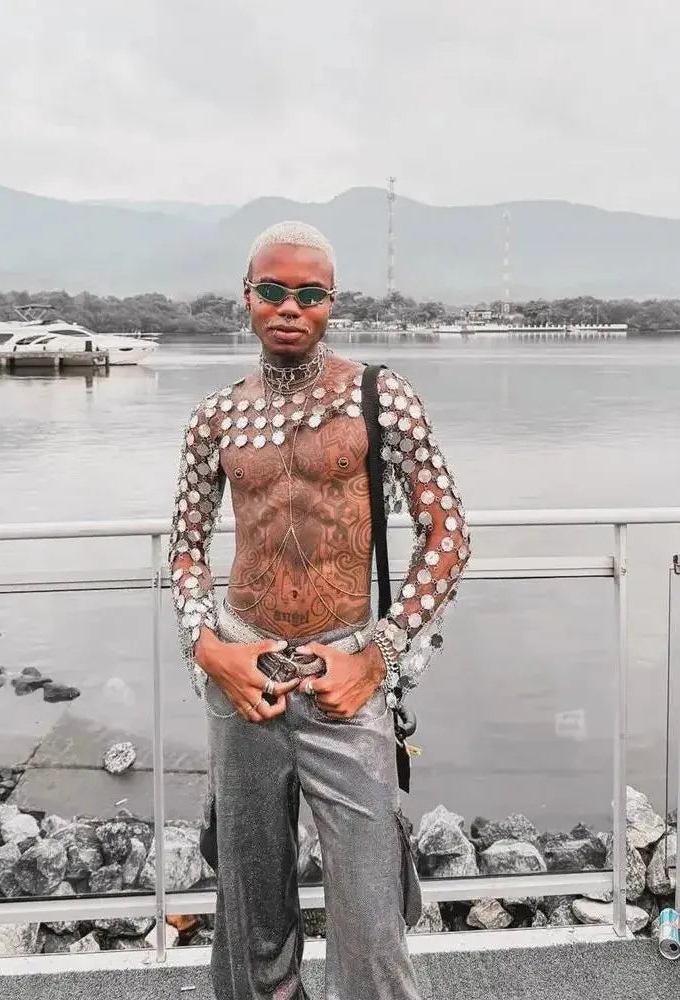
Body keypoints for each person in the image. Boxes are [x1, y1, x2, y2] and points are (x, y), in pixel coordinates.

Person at [168, 221, 471, 999]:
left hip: (346, 674)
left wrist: (380, 655)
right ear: (247, 297)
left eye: (309, 293)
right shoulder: (216, 416)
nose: (289, 307)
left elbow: (447, 534)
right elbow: (185, 546)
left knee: (371, 922)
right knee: (250, 911)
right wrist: (208, 648)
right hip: (245, 677)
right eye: (272, 290)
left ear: (332, 304)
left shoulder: (378, 395)